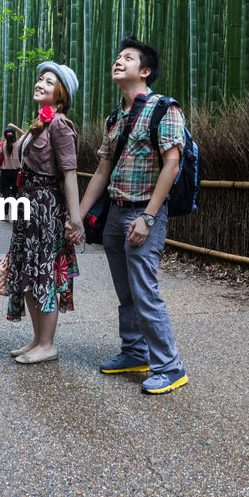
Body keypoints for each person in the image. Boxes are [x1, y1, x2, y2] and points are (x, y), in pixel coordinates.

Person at [77, 37, 188, 395]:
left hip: (143, 213)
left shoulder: (163, 109)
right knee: (126, 292)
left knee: (145, 291)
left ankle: (170, 367)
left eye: (127, 58)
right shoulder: (115, 116)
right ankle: (135, 351)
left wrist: (150, 217)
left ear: (145, 71)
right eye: (117, 57)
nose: (118, 62)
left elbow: (172, 165)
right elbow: (101, 171)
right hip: (115, 213)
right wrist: (78, 216)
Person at [5, 62, 83, 365]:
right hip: (28, 206)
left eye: (49, 82)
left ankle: (48, 343)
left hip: (46, 208)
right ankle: (37, 339)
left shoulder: (61, 124)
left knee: (44, 273)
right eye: (40, 79)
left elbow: (70, 173)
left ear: (60, 94)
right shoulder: (40, 123)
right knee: (27, 270)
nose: (40, 83)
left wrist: (74, 219)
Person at [0, 125, 22, 214]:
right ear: (14, 135)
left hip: (5, 173)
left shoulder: (2, 145)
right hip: (16, 173)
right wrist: (15, 127)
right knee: (16, 194)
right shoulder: (19, 144)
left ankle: (6, 215)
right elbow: (25, 134)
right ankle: (16, 214)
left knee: (6, 195)